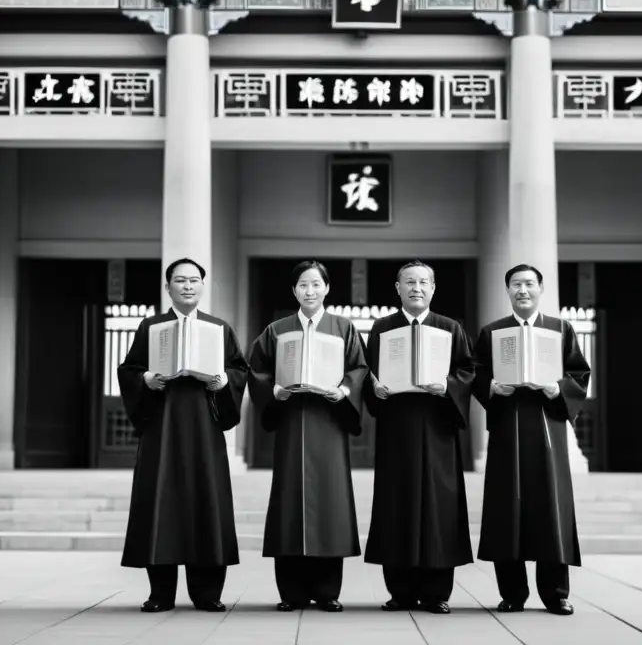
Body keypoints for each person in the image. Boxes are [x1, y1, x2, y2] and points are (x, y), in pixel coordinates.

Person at [116, 258, 249, 613]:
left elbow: (238, 370)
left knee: (206, 501)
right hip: (162, 425)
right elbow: (129, 369)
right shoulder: (151, 326)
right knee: (161, 503)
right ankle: (160, 593)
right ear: (168, 287)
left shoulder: (219, 328)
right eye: (180, 280)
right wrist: (145, 379)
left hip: (204, 428)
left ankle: (207, 593)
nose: (187, 286)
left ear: (203, 286)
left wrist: (222, 381)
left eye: (194, 280)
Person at [247, 260, 369, 612]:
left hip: (328, 422)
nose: (310, 291)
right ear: (294, 290)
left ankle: (327, 591)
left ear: (327, 288)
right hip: (291, 422)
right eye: (303, 285)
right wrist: (275, 392)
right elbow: (257, 371)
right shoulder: (277, 330)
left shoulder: (343, 327)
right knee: (289, 502)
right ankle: (291, 593)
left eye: (316, 284)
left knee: (330, 504)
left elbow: (359, 367)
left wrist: (344, 391)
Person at [471, 263, 591, 616]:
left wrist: (556, 388)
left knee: (551, 508)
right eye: (515, 285)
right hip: (508, 428)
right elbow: (475, 373)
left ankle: (556, 593)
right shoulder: (492, 332)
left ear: (540, 288)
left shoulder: (559, 329)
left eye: (528, 284)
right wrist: (493, 386)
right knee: (506, 510)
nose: (522, 290)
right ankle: (512, 593)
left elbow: (579, 373)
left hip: (545, 428)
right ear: (507, 291)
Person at [361, 260, 474, 615]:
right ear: (397, 288)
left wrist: (448, 386)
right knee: (397, 505)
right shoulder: (382, 327)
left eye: (423, 282)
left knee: (439, 508)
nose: (416, 288)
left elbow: (467, 372)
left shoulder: (450, 327)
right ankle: (401, 591)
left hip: (437, 428)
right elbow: (367, 373)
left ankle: (437, 592)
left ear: (433, 288)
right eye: (409, 282)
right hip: (397, 427)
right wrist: (374, 387)